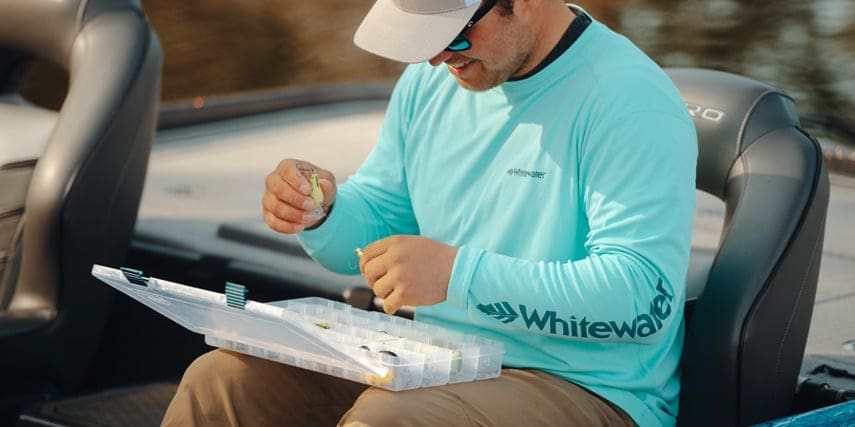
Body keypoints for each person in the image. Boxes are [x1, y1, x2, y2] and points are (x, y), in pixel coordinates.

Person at [162, 0, 697, 425]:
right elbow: (378, 219)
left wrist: (459, 276)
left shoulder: (628, 99)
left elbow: (641, 298)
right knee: (222, 382)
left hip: (585, 388)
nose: (441, 58)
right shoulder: (432, 81)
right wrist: (319, 209)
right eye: (426, 41)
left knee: (391, 421)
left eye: (455, 34)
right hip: (433, 358)